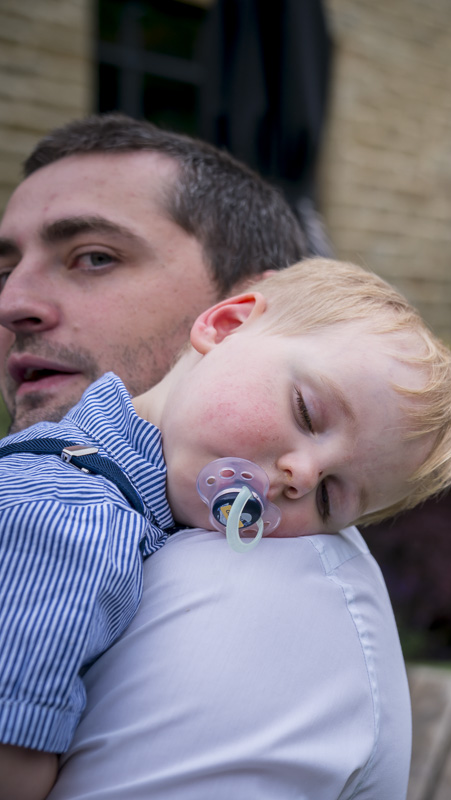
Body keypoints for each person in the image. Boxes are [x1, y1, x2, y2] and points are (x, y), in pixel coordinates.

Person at [0, 115, 418, 799]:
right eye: (4, 269)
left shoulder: (238, 586)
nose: (14, 302)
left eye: (95, 256)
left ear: (231, 312)